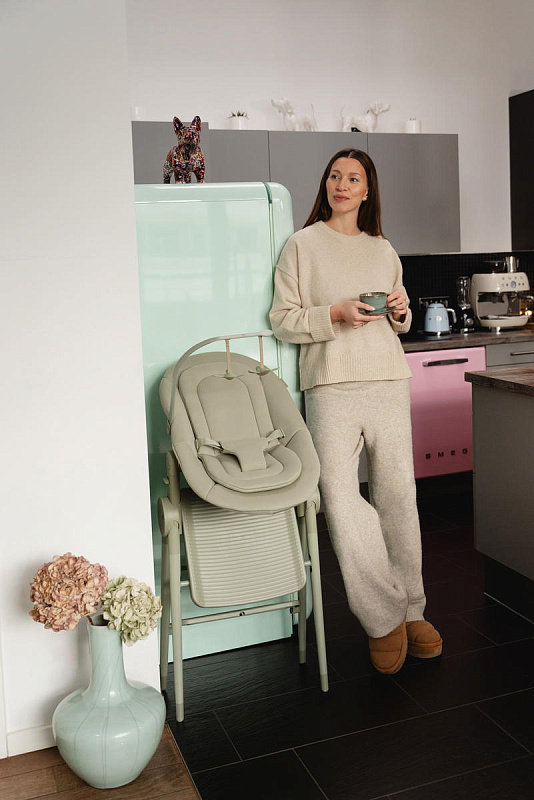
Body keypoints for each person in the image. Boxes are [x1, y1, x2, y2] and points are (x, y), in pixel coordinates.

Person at [269, 148, 442, 674]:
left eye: (353, 179)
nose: (341, 185)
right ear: (325, 184)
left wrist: (401, 310)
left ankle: (412, 609)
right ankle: (382, 614)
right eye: (334, 176)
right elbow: (283, 319)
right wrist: (336, 313)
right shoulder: (301, 245)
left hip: (387, 379)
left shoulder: (383, 249)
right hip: (330, 387)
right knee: (341, 502)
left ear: (367, 191)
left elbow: (400, 320)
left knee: (398, 496)